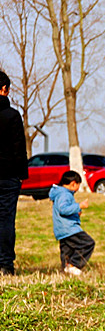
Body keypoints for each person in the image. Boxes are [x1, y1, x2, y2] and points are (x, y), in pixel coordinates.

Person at [0, 70, 28, 276]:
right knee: (6, 220)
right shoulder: (12, 115)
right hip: (8, 175)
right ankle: (5, 265)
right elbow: (19, 148)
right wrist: (21, 175)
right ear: (4, 89)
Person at [49, 171, 94, 276]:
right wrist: (79, 206)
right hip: (69, 229)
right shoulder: (65, 194)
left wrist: (76, 212)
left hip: (61, 230)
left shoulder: (59, 193)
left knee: (67, 251)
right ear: (73, 183)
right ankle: (73, 265)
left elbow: (64, 210)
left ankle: (65, 270)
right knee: (88, 243)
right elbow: (63, 209)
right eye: (78, 185)